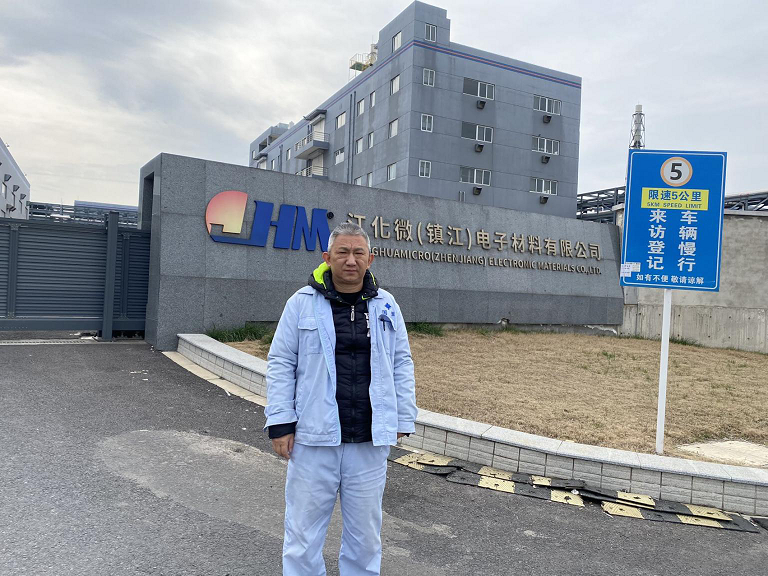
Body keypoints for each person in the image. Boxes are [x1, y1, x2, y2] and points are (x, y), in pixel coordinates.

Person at [265, 221, 417, 576]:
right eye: (343, 252)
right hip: (314, 437)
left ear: (370, 259)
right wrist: (280, 422)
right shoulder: (301, 303)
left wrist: (402, 417)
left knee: (365, 534)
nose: (351, 260)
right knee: (303, 531)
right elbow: (281, 362)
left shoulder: (386, 304)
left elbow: (401, 361)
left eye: (358, 253)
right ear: (327, 258)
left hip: (368, 439)